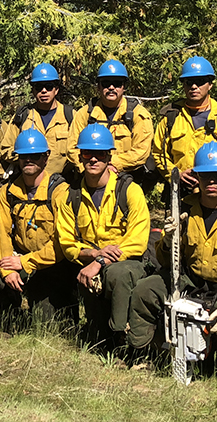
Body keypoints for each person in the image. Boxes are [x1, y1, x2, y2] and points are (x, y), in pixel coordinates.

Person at [127, 142, 217, 377]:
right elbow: (166, 262)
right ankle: (142, 355)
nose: (211, 182)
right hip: (191, 287)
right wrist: (168, 240)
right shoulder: (183, 209)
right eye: (205, 176)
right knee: (146, 290)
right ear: (197, 177)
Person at [55, 124, 150, 347]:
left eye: (100, 154)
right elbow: (68, 244)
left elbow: (137, 241)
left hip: (129, 263)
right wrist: (95, 255)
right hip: (91, 263)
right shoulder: (71, 196)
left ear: (109, 157)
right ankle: (99, 334)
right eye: (88, 153)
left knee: (117, 273)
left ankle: (122, 338)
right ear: (80, 156)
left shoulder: (129, 191)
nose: (93, 159)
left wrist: (100, 261)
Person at [0, 129, 75, 327]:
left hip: (49, 263)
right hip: (16, 256)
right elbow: (1, 235)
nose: (29, 160)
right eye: (24, 156)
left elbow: (62, 245)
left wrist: (26, 263)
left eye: (35, 156)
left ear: (45, 158)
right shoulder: (6, 193)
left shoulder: (60, 192)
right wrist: (7, 271)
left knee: (48, 326)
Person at [149, 56, 217, 195]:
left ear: (210, 84)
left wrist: (209, 177)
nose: (194, 87)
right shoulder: (170, 117)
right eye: (189, 82)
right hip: (180, 191)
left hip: (216, 193)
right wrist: (177, 174)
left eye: (200, 82)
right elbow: (159, 154)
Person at [68, 60, 155, 188]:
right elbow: (72, 148)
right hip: (90, 181)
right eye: (106, 83)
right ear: (98, 87)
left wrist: (112, 164)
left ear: (124, 87)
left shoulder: (138, 114)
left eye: (117, 83)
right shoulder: (85, 114)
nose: (111, 87)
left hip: (128, 182)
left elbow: (142, 151)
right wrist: (90, 169)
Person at [0, 63, 75, 178]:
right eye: (39, 87)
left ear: (56, 90)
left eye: (49, 86)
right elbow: (5, 149)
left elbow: (81, 151)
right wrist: (25, 158)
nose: (44, 91)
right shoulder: (23, 116)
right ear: (33, 90)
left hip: (63, 183)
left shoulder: (70, 116)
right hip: (28, 183)